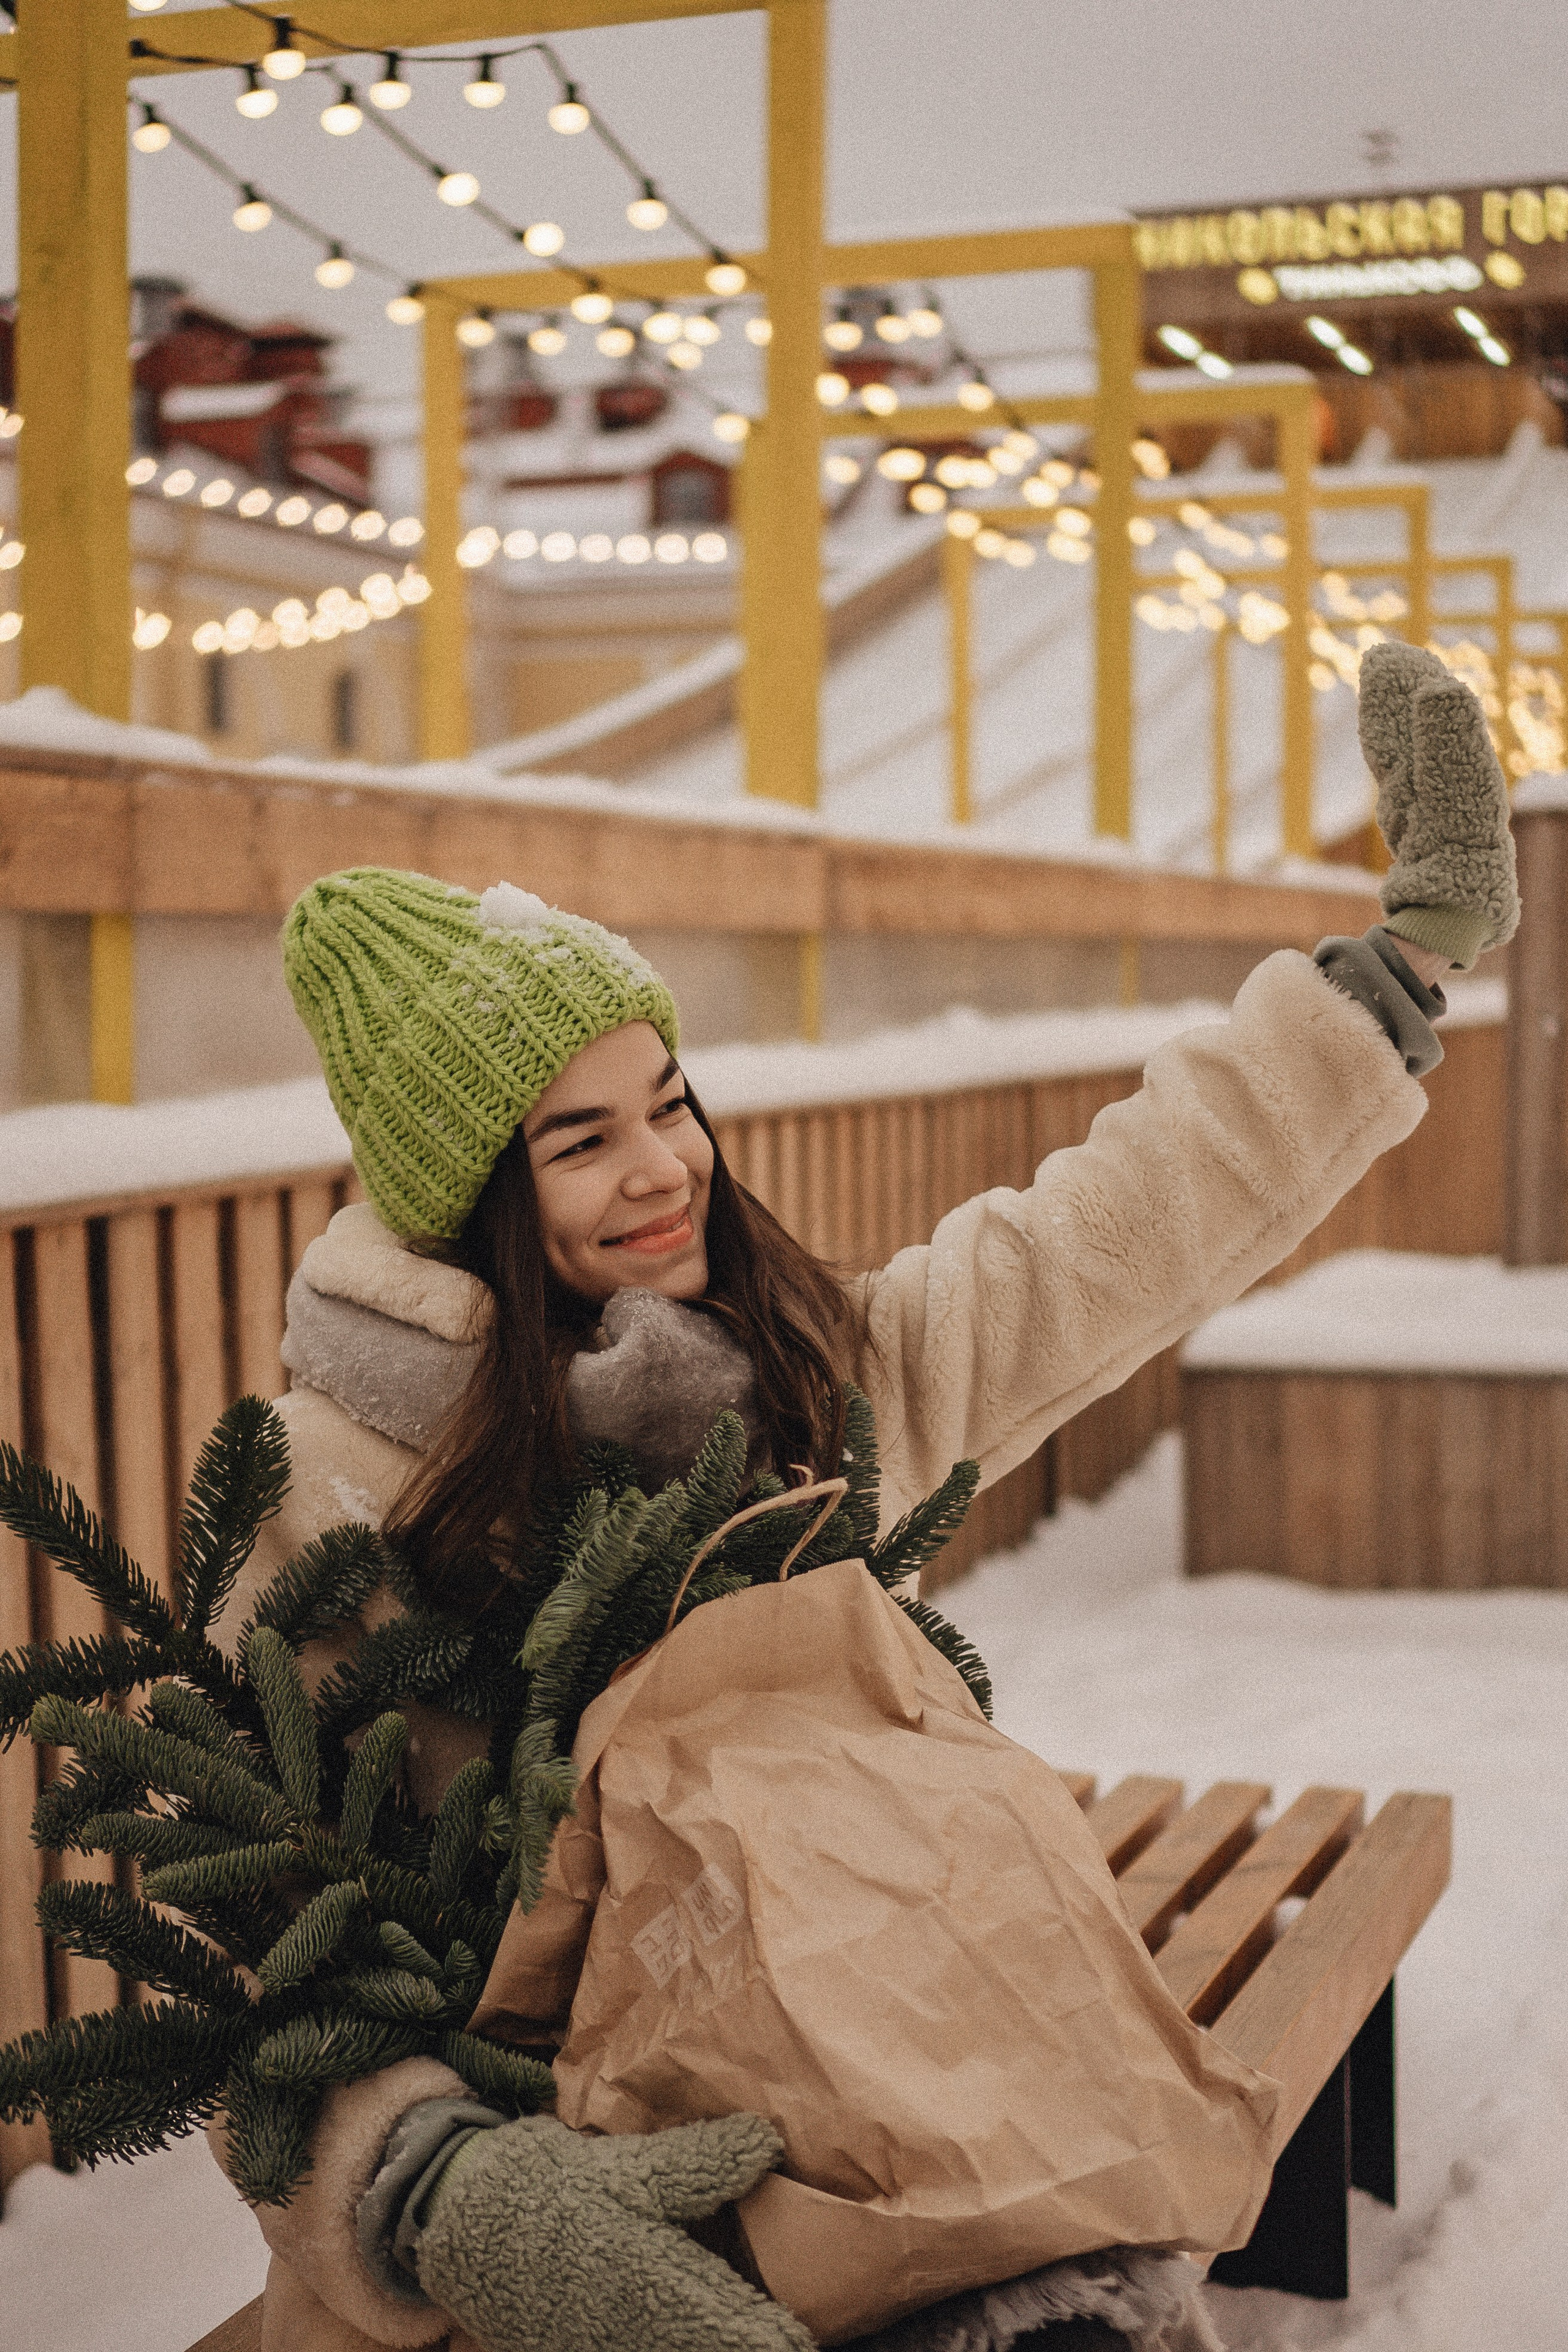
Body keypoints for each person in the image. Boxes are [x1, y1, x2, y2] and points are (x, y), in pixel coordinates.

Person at [210, 643, 1516, 2352]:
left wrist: (1401, 962)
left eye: (671, 1103)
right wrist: (443, 2189)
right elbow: (243, 1930)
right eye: (580, 1140)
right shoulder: (336, 1487)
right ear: (469, 1200)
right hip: (555, 2190)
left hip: (859, 2095)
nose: (665, 1166)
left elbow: (1116, 1225)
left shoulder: (788, 1384)